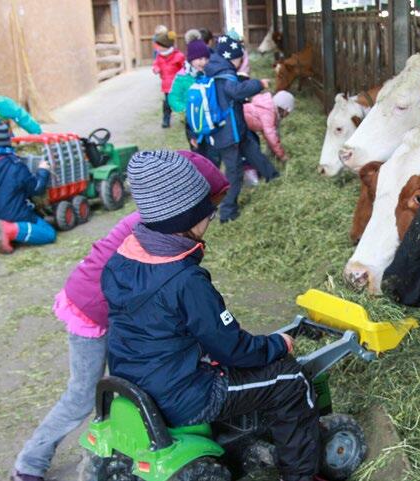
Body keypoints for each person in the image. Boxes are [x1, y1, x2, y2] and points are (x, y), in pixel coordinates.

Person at [9, 151, 228, 481]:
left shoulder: (160, 224)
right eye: (207, 205)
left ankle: (142, 441)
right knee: (83, 395)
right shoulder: (155, 231)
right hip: (91, 310)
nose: (209, 215)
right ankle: (30, 462)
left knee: (141, 374)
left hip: (115, 308)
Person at [102, 150, 320, 481]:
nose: (212, 217)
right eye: (208, 211)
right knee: (289, 380)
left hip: (135, 381)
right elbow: (231, 347)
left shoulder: (121, 260)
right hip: (184, 396)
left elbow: (157, 323)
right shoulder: (185, 280)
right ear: (183, 219)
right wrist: (277, 344)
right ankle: (303, 475)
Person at [203, 35, 271, 223]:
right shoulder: (224, 74)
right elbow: (235, 91)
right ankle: (227, 212)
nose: (241, 62)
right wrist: (258, 84)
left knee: (251, 149)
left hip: (231, 129)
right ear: (233, 57)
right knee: (234, 173)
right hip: (227, 134)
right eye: (240, 58)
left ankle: (272, 175)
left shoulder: (214, 70)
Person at [0, 123, 55, 254]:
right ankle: (10, 229)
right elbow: (37, 188)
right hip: (11, 213)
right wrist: (43, 170)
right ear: (8, 140)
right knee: (48, 233)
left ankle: (2, 229)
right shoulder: (15, 165)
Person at [152, 30, 185, 128]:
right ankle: (166, 120)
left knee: (181, 102)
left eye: (159, 46)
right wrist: (156, 69)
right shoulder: (159, 57)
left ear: (165, 45)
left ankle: (184, 117)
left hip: (178, 85)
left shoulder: (178, 56)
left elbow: (184, 68)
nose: (157, 48)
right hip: (166, 86)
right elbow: (156, 65)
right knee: (167, 104)